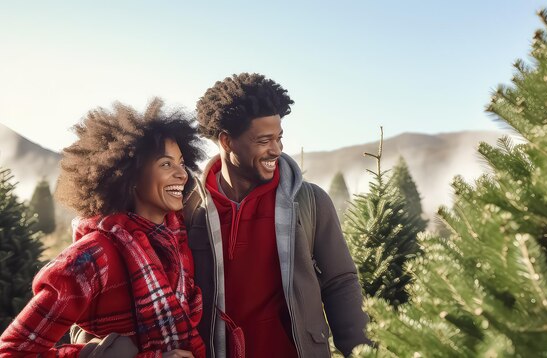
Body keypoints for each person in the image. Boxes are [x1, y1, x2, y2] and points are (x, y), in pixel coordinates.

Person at [0, 98, 206, 358]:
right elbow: (13, 351)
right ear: (129, 176)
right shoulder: (92, 255)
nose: (182, 174)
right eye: (166, 164)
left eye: (181, 162)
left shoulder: (178, 242)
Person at [185, 73, 370, 358]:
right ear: (227, 141)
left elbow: (340, 282)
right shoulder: (189, 209)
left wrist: (363, 354)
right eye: (264, 140)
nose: (277, 149)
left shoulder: (311, 202)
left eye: (279, 137)